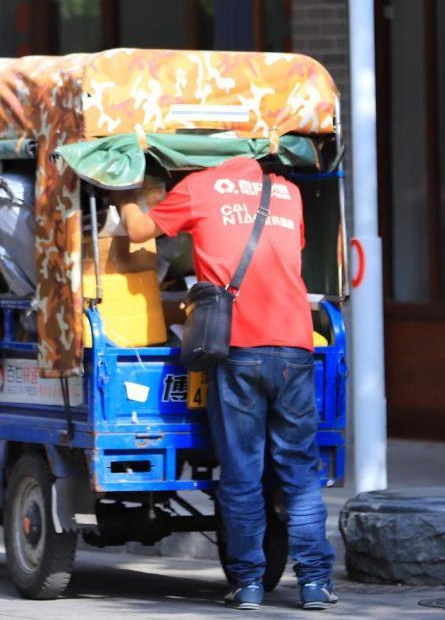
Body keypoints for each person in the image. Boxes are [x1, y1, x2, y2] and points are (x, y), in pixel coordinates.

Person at [116, 155, 338, 611]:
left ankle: (249, 584)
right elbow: (287, 253)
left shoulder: (198, 187)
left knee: (241, 473)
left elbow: (138, 232)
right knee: (299, 475)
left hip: (238, 347)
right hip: (297, 346)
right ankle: (315, 583)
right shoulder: (287, 193)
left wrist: (121, 194)